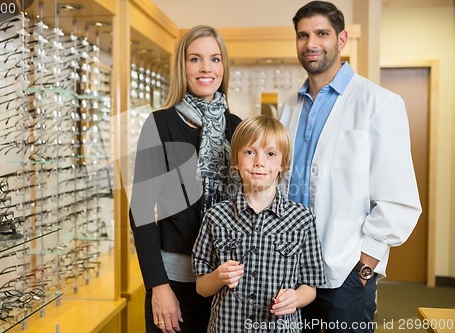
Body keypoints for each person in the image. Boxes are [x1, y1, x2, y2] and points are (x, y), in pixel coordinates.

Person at [279, 1, 422, 332]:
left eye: (321, 34)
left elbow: (398, 199)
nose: (311, 43)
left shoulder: (378, 103)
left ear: (341, 40)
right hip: (290, 271)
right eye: (302, 35)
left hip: (344, 274)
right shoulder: (289, 108)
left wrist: (364, 267)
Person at [129, 25, 242, 333]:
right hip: (174, 283)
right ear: (183, 66)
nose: (206, 68)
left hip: (227, 282)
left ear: (223, 66)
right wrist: (158, 286)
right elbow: (140, 211)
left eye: (215, 59)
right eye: (195, 59)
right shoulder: (160, 124)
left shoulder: (237, 128)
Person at [192, 115, 325, 333]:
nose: (259, 162)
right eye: (249, 152)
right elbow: (201, 288)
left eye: (270, 154)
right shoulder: (215, 217)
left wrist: (295, 298)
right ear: (236, 160)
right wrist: (218, 276)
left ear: (282, 165)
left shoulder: (302, 219)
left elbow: (310, 287)